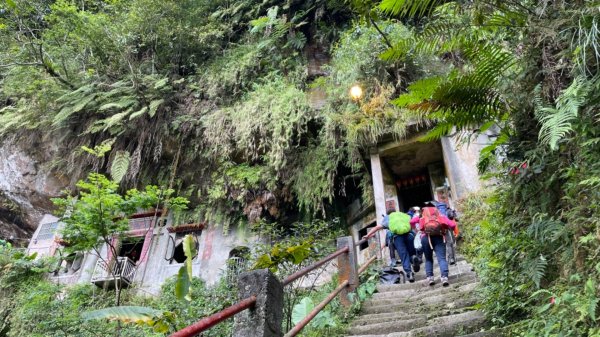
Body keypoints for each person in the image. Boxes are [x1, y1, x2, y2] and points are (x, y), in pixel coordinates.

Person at [363, 208, 421, 282]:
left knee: (404, 255)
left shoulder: (388, 217)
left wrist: (368, 235)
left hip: (398, 238)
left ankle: (409, 273)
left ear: (388, 214)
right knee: (411, 253)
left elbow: (377, 227)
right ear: (395, 211)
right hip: (409, 235)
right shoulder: (403, 215)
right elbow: (413, 224)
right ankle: (413, 258)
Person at [411, 201, 456, 286]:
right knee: (442, 258)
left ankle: (430, 278)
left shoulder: (421, 216)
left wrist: (415, 229)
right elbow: (453, 225)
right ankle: (444, 277)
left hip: (425, 238)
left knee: (428, 259)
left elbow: (411, 222)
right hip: (439, 237)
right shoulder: (440, 215)